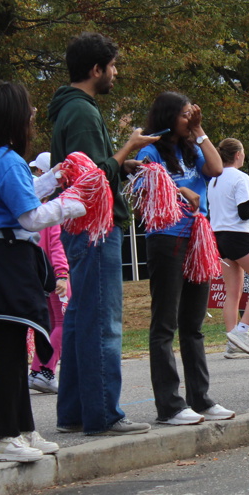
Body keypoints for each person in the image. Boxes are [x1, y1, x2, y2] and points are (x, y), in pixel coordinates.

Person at [0, 81, 88, 461]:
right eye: (27, 109)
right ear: (13, 116)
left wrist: (52, 180)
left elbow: (16, 193)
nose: (32, 115)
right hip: (4, 258)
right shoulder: (8, 159)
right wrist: (73, 202)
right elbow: (30, 217)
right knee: (10, 348)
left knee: (12, 344)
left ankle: (22, 428)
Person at [48, 32, 157, 436]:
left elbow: (87, 168)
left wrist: (121, 166)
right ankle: (104, 414)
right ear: (96, 69)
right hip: (95, 227)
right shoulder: (81, 112)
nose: (115, 73)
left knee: (80, 318)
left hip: (80, 227)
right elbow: (90, 179)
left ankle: (74, 412)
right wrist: (128, 148)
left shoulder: (70, 108)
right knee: (102, 322)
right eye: (112, 66)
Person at [137, 92, 234, 426]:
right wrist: (180, 190)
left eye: (192, 114)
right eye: (184, 115)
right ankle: (169, 406)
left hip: (198, 240)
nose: (189, 118)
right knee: (165, 324)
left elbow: (217, 168)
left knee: (193, 325)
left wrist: (199, 130)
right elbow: (147, 189)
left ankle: (200, 398)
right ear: (167, 117)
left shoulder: (193, 150)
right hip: (167, 238)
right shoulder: (150, 151)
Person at [208, 137, 249, 358]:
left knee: (232, 292)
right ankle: (242, 330)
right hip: (239, 236)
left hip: (218, 237)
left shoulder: (214, 179)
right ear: (238, 155)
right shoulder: (241, 177)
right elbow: (244, 212)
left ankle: (232, 342)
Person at [27, 152, 70, 394]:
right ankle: (45, 371)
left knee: (52, 323)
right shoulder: (51, 212)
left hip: (41, 277)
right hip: (54, 276)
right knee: (64, 322)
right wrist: (62, 274)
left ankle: (37, 371)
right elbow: (56, 246)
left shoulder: (34, 214)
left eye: (39, 171)